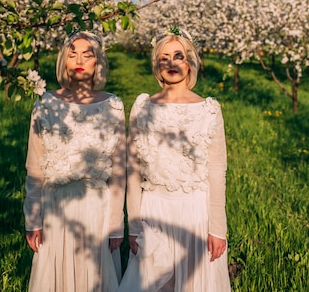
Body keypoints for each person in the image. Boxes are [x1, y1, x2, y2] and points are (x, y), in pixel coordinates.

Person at [120, 28, 231, 292]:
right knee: (156, 282)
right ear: (157, 66)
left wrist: (217, 228)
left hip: (195, 212)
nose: (171, 63)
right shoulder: (143, 107)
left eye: (178, 56)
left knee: (193, 282)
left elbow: (217, 171)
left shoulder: (208, 109)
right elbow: (133, 170)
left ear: (190, 62)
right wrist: (134, 224)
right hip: (154, 210)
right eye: (164, 58)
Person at [24, 30, 126, 292]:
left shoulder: (113, 106)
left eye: (87, 54)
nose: (79, 60)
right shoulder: (46, 104)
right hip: (57, 208)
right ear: (64, 62)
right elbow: (35, 167)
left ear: (98, 62)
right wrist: (33, 219)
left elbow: (118, 170)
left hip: (96, 208)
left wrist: (115, 223)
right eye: (72, 54)